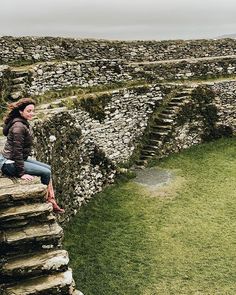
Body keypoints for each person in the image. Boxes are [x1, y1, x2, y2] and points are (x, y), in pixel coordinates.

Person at [0, 98, 64, 214]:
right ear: (21, 112)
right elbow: (17, 152)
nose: (32, 113)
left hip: (16, 159)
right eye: (28, 111)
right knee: (46, 172)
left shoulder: (20, 122)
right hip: (9, 164)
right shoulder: (18, 127)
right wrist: (21, 173)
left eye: (33, 111)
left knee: (48, 168)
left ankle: (51, 199)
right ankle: (46, 200)